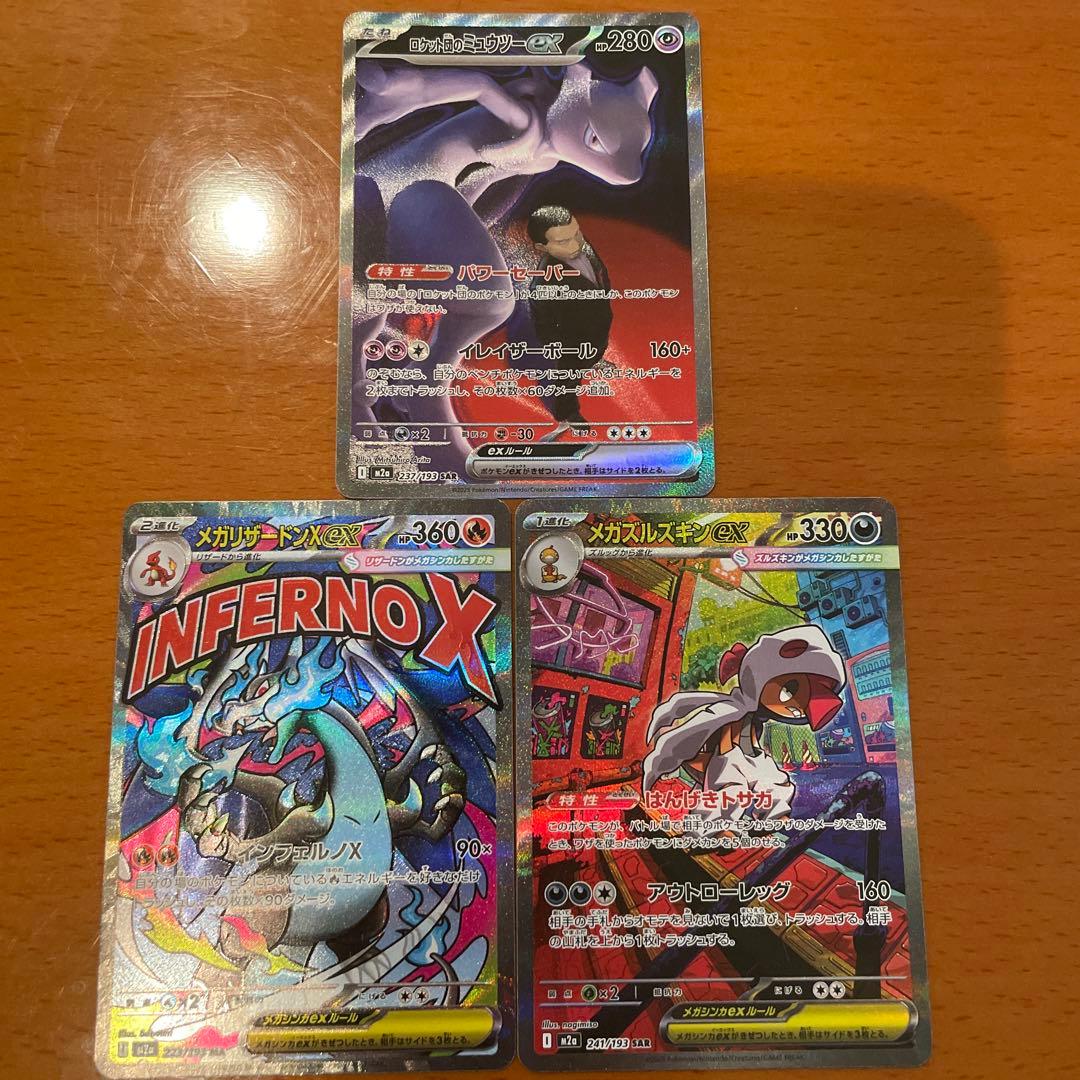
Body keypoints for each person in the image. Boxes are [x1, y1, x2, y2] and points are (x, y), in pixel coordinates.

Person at [527, 206, 613, 429]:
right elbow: (542, 319)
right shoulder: (544, 281)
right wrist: (558, 346)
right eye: (564, 241)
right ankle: (566, 413)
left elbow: (599, 271)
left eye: (577, 234)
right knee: (568, 376)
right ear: (541, 247)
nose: (576, 245)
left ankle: (593, 360)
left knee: (597, 347)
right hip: (571, 340)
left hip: (597, 322)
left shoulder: (583, 246)